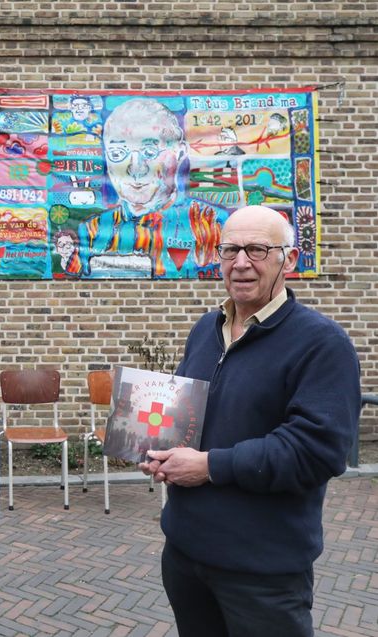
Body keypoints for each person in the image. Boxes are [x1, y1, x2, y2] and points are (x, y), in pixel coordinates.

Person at [138, 205, 360, 637]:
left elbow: (316, 451)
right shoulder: (206, 329)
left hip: (261, 571)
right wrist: (156, 446)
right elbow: (187, 415)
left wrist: (208, 466)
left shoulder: (322, 344)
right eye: (230, 250)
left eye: (257, 249)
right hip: (186, 556)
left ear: (288, 260)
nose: (241, 262)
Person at [78, 97, 226, 278]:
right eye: (117, 154)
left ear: (179, 152)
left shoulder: (210, 223)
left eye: (149, 152)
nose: (135, 169)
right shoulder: (92, 231)